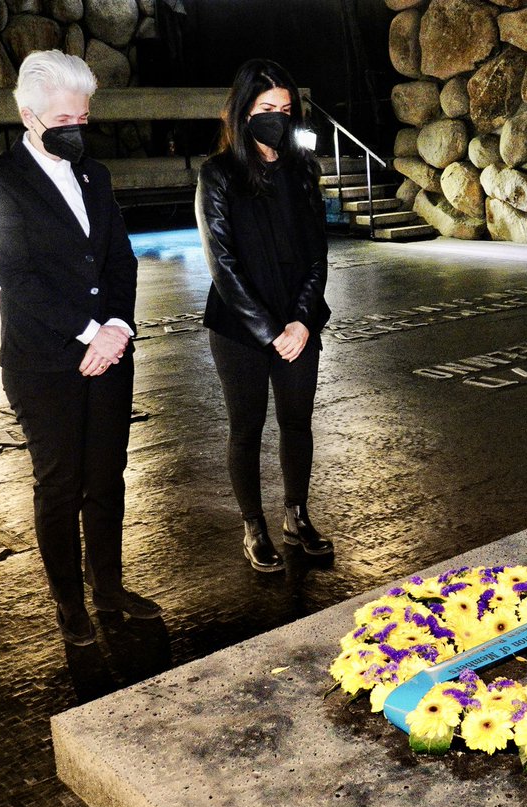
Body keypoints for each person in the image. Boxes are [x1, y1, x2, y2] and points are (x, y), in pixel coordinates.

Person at [0, 50, 161, 646]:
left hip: (110, 352)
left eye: (83, 118)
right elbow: (17, 277)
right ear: (28, 117)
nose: (76, 130)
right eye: (63, 120)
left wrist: (119, 327)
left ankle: (108, 586)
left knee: (106, 478)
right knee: (60, 486)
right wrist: (90, 331)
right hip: (44, 361)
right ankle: (69, 603)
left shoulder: (94, 175)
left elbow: (120, 259)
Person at [196, 58, 333, 573]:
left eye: (286, 108)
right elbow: (222, 264)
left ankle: (297, 515)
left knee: (297, 421)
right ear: (243, 112)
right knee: (246, 427)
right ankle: (253, 526)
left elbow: (318, 256)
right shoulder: (218, 175)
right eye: (267, 107)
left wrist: (301, 322)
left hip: (299, 324)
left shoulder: (302, 171)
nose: (278, 117)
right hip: (240, 327)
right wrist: (270, 330)